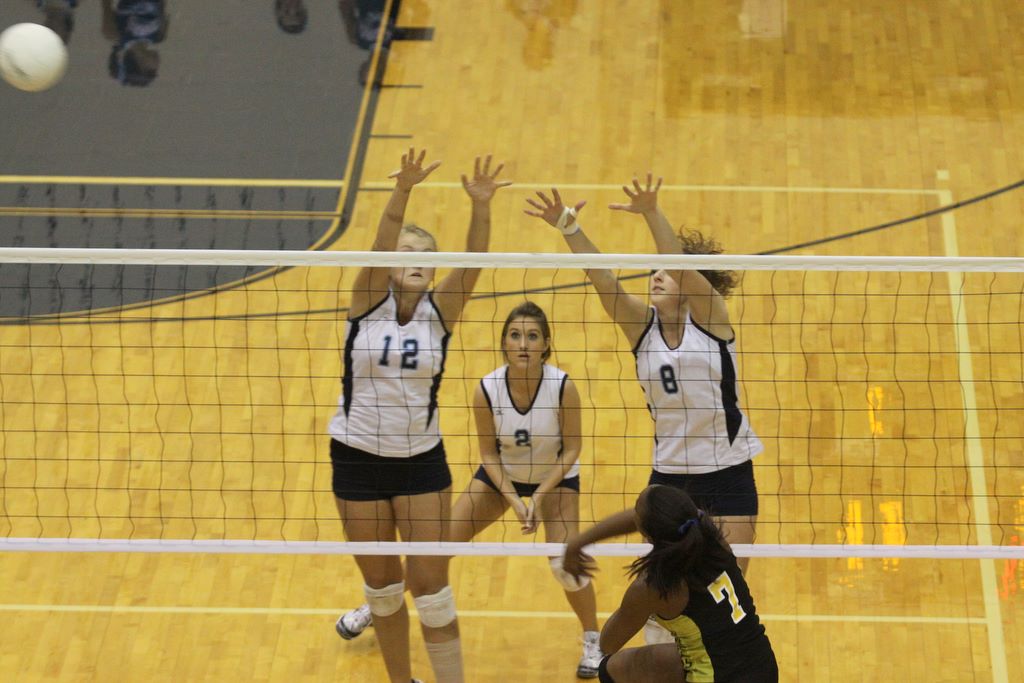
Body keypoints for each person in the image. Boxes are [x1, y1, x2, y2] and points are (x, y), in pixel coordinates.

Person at [339, 301, 605, 679]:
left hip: (556, 478)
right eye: (515, 335)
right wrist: (513, 498)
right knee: (435, 549)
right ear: (504, 343)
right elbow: (487, 454)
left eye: (532, 336)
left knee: (565, 564)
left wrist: (539, 496)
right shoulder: (488, 388)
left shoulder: (563, 387)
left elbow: (573, 449)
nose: (523, 344)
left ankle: (593, 638)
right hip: (501, 475)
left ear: (546, 344)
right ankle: (381, 604)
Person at [329, 148, 510, 683]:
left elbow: (473, 264)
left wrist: (481, 206)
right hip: (356, 459)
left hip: (419, 463)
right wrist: (402, 189)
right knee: (383, 591)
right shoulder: (367, 300)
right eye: (405, 252)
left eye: (426, 256)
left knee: (432, 589)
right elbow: (379, 243)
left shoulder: (440, 311)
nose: (415, 261)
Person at [524, 175, 762, 573]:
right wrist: (570, 228)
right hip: (669, 474)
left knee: (726, 586)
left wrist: (652, 212)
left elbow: (681, 268)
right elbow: (604, 281)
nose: (657, 276)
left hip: (727, 471)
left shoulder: (711, 318)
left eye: (666, 272)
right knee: (664, 588)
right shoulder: (641, 327)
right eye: (654, 271)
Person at [589, 485, 777, 682]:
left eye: (635, 509)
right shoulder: (710, 534)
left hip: (719, 677)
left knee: (611, 668)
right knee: (628, 665)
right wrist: (580, 543)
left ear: (647, 533)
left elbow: (608, 644)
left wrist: (635, 606)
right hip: (762, 665)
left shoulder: (652, 585)